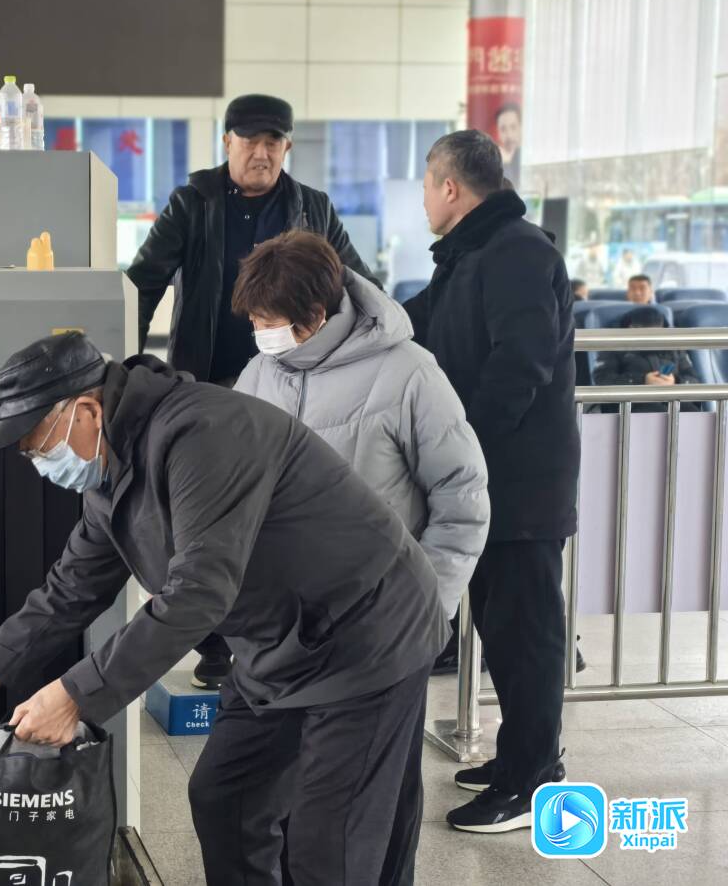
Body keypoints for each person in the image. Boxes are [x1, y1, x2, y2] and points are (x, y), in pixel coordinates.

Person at [0, 331, 448, 885]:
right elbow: (70, 589)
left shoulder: (203, 434)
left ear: (87, 411)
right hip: (278, 644)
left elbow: (197, 594)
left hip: (366, 633)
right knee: (227, 799)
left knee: (330, 845)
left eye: (37, 444)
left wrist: (73, 696)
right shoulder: (111, 475)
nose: (38, 462)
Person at [126, 93, 374, 689]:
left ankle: (274, 642)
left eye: (273, 143)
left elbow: (358, 283)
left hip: (290, 383)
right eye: (250, 141)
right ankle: (214, 645)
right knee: (201, 522)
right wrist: (128, 366)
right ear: (227, 143)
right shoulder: (193, 202)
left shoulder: (312, 208)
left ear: (287, 148)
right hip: (208, 386)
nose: (261, 153)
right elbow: (144, 282)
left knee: (276, 517)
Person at [404, 130, 579, 833]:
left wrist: (463, 450)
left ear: (450, 187)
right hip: (485, 483)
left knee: (526, 634)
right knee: (504, 633)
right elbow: (413, 325)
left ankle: (532, 779)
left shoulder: (519, 252)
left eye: (426, 185)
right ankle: (522, 757)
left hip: (519, 484)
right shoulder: (469, 255)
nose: (424, 199)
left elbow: (521, 364)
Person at [232, 229, 490, 617]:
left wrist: (425, 608)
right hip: (281, 617)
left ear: (315, 315)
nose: (259, 334)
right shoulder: (258, 374)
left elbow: (461, 495)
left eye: (269, 323)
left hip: (380, 614)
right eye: (254, 321)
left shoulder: (408, 373)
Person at [593, 305, 701, 413]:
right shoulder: (613, 346)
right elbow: (602, 381)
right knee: (658, 413)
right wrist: (642, 381)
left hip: (671, 400)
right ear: (630, 328)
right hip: (632, 405)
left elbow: (693, 379)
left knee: (691, 411)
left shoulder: (674, 347)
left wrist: (675, 381)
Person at [494, 103, 521, 180]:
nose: (509, 135)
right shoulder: (494, 159)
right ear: (498, 131)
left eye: (513, 127)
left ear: (520, 127)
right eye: (503, 129)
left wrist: (506, 164)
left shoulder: (527, 155)